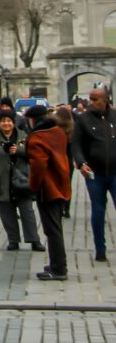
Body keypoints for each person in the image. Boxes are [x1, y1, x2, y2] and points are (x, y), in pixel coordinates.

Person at [0, 110, 44, 251]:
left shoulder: (23, 137)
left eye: (9, 121)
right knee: (7, 213)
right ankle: (13, 240)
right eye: (3, 121)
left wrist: (19, 152)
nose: (6, 124)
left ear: (14, 122)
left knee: (27, 212)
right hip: (1, 181)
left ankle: (34, 240)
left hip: (21, 181)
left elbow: (33, 154)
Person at [26, 104, 71, 280]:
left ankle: (59, 268)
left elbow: (38, 166)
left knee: (52, 230)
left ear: (32, 120)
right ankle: (57, 263)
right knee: (56, 227)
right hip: (61, 185)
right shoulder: (58, 132)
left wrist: (33, 186)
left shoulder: (38, 138)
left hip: (48, 189)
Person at [71, 86, 116, 262]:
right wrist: (82, 163)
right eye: (90, 98)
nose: (91, 102)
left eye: (95, 99)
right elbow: (76, 145)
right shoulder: (83, 120)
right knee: (98, 209)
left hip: (114, 172)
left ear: (106, 100)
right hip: (95, 173)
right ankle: (100, 248)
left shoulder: (114, 116)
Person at [53, 105, 74, 219]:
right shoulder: (72, 129)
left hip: (57, 159)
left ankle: (59, 207)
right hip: (68, 160)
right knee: (68, 184)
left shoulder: (56, 129)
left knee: (58, 184)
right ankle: (67, 208)